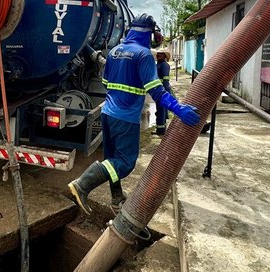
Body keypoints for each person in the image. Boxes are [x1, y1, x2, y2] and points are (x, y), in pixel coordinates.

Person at [68, 14, 200, 214]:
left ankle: (116, 197)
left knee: (112, 159)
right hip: (125, 118)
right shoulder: (143, 54)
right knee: (125, 163)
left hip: (107, 113)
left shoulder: (114, 52)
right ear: (148, 33)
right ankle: (82, 185)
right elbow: (157, 91)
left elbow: (105, 83)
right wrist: (179, 109)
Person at [152, 49, 172, 136]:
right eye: (158, 54)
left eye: (161, 54)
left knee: (161, 111)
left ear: (164, 56)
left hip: (162, 90)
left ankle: (160, 130)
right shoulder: (159, 64)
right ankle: (161, 128)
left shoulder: (164, 65)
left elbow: (165, 80)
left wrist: (164, 91)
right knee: (161, 110)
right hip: (159, 90)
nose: (158, 55)